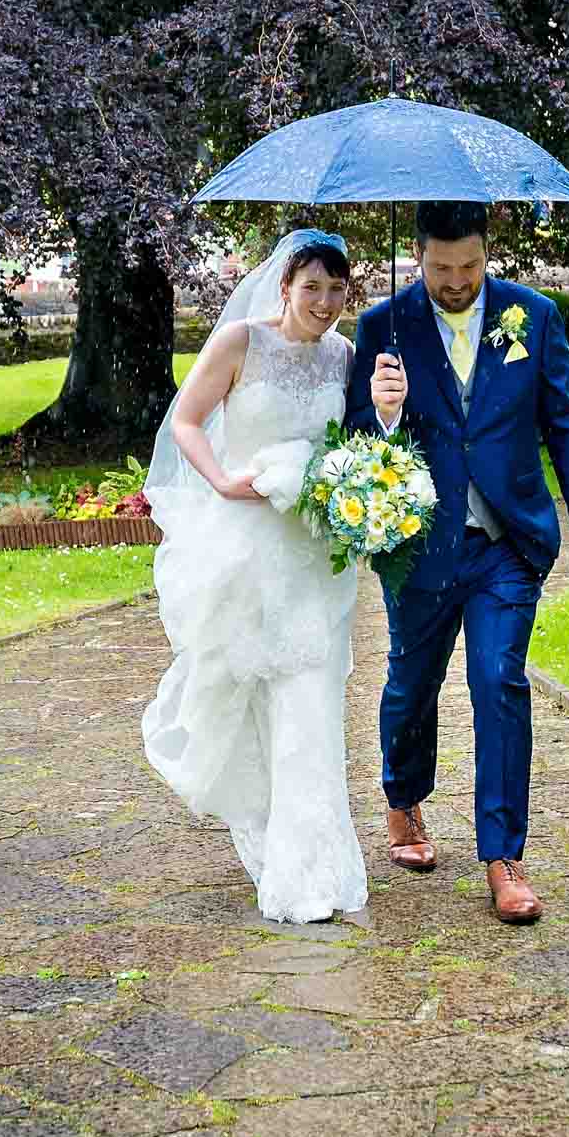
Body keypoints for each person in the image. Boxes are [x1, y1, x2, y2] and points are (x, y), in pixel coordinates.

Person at [345, 200, 569, 924]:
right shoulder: (383, 328)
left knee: (498, 681)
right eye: (440, 269)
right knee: (411, 684)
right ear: (421, 255)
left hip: (506, 545)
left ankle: (504, 858)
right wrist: (386, 410)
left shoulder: (534, 317)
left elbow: (567, 424)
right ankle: (404, 799)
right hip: (421, 548)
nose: (455, 281)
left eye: (468, 267)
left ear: (486, 255)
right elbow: (357, 445)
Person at [141, 229, 368, 923]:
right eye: (312, 288)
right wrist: (221, 482)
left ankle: (312, 867)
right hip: (246, 547)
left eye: (336, 289)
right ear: (285, 285)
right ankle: (272, 837)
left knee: (311, 697)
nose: (325, 303)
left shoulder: (345, 356)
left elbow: (351, 444)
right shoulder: (240, 341)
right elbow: (185, 421)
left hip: (313, 552)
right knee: (247, 700)